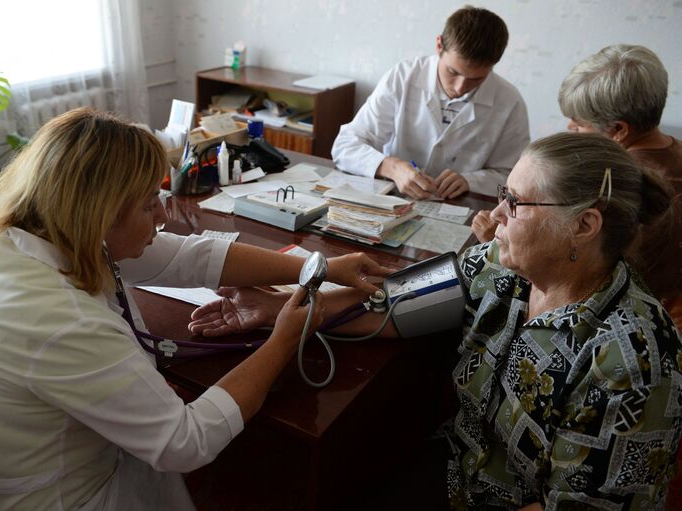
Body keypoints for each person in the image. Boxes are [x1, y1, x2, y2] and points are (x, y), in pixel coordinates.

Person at [0, 108, 394, 510]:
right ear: (97, 214)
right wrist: (284, 338)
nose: (163, 215)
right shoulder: (56, 318)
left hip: (0, 449)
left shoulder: (31, 233)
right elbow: (184, 443)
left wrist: (319, 265)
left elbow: (188, 255)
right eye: (149, 205)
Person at [190, 132, 682, 509]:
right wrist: (279, 310)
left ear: (584, 225)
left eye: (516, 201)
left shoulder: (635, 360)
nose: (497, 212)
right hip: (459, 472)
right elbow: (394, 301)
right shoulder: (501, 267)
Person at [473, 44, 682, 327]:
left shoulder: (623, 193)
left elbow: (583, 280)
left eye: (580, 126)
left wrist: (496, 244)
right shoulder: (673, 151)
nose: (569, 127)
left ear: (618, 130)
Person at [331, 6, 529, 200]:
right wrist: (391, 167)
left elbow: (513, 177)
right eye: (453, 72)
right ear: (439, 45)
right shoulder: (403, 77)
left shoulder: (509, 102)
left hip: (461, 206)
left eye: (475, 79)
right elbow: (345, 146)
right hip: (392, 199)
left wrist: (472, 181)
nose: (460, 87)